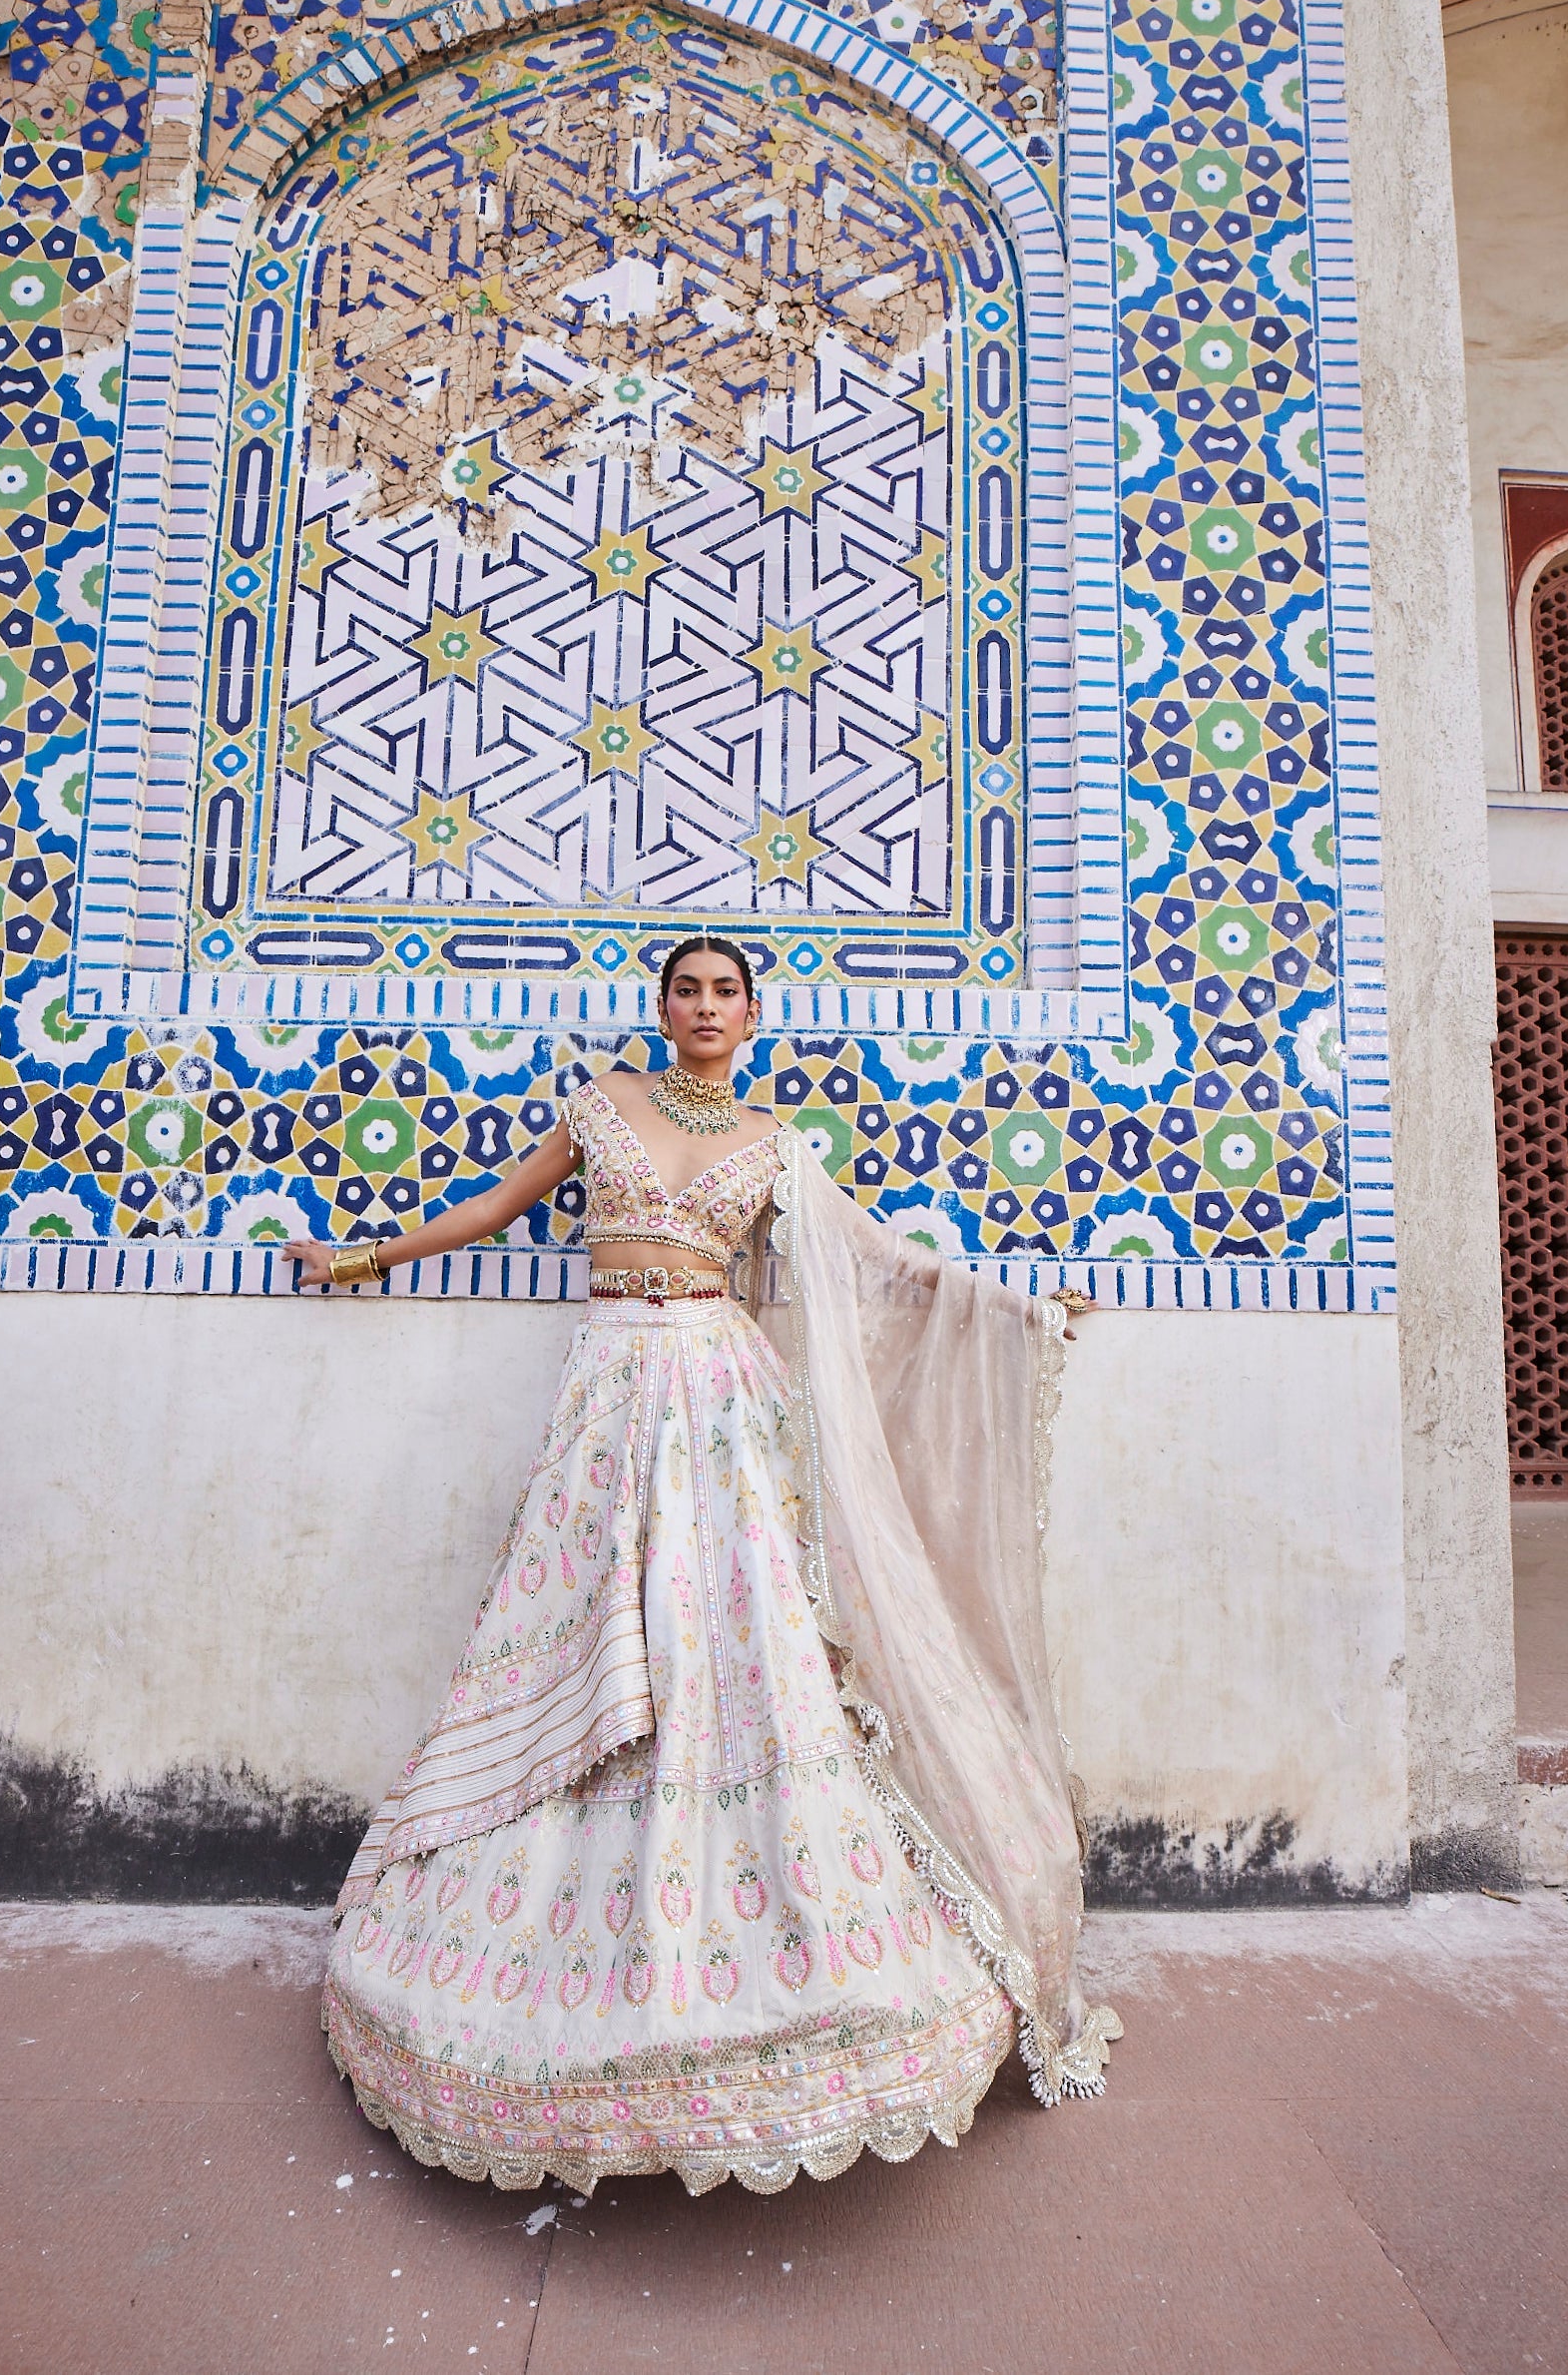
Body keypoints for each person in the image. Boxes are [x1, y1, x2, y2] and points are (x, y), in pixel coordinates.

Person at [283, 935, 1119, 2197]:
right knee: (577, 1633)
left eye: (726, 992)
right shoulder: (603, 1104)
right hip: (608, 1395)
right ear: (663, 1007)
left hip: (723, 1401)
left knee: (734, 1647)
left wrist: (1015, 1312)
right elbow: (497, 1208)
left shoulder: (781, 1148)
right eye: (687, 990)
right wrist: (363, 1257)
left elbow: (880, 1265)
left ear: (754, 1012)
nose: (705, 1009)